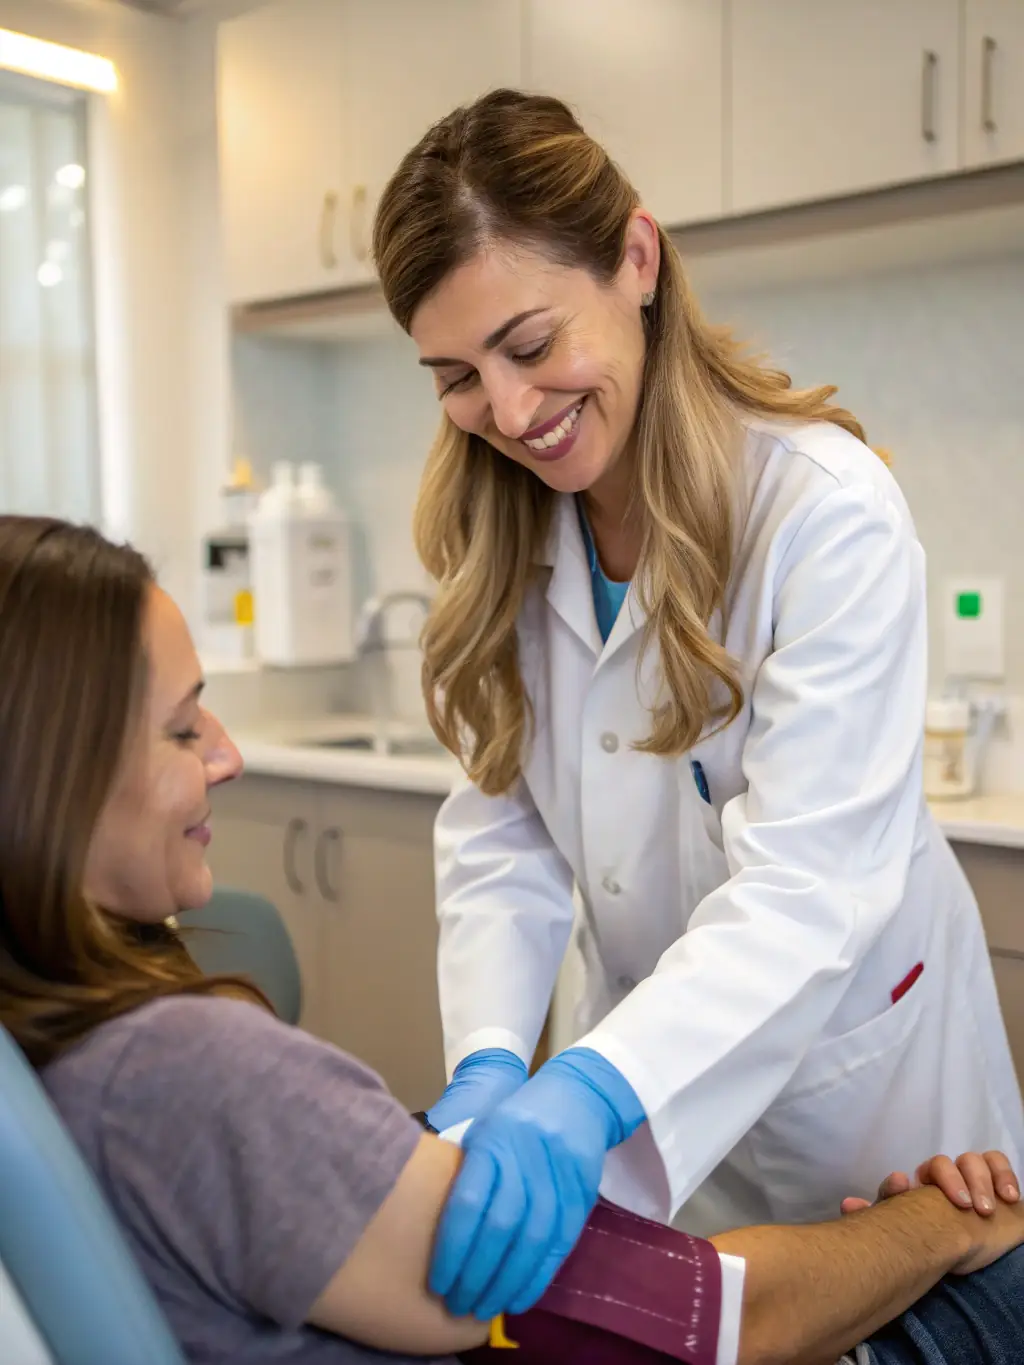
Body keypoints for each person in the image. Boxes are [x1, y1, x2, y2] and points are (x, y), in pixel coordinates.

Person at [0, 514, 1023, 1365]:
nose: (227, 756)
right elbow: (716, 1319)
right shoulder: (190, 1076)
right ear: (49, 779)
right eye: (184, 729)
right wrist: (944, 1223)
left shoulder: (55, 1050)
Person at [370, 87, 1024, 1323]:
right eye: (454, 376)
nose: (506, 415)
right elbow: (503, 835)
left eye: (525, 344)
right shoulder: (501, 533)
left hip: (867, 1110)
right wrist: (496, 1062)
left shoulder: (818, 510)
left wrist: (592, 1092)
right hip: (649, 1095)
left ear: (634, 256)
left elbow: (806, 886)